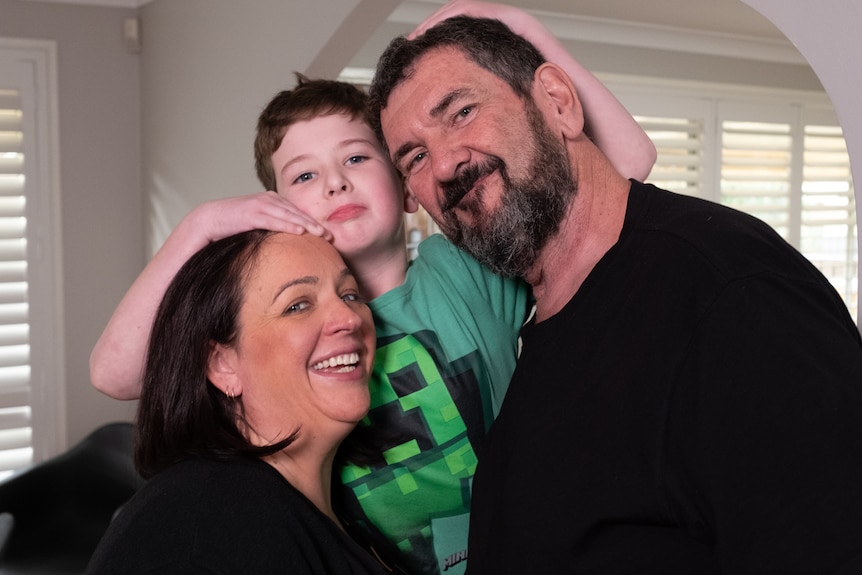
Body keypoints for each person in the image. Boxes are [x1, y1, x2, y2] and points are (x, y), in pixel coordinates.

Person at [89, 4, 655, 573]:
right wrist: (201, 225)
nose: (336, 182)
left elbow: (628, 164)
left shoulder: (463, 267)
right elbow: (115, 373)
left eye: (357, 158)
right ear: (280, 210)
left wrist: (520, 30)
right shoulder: (293, 328)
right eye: (305, 176)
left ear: (409, 187)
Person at [368, 6, 862, 575]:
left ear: (557, 101)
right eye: (415, 157)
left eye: (461, 112)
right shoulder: (534, 317)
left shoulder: (731, 295)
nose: (448, 165)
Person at [85, 231, 388, 574]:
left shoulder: (323, 510)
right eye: (297, 305)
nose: (350, 319)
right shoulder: (213, 529)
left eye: (350, 295)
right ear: (222, 364)